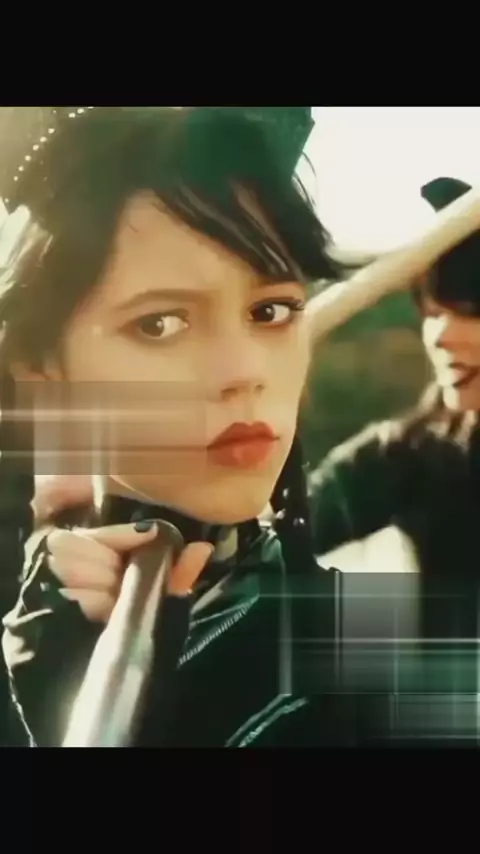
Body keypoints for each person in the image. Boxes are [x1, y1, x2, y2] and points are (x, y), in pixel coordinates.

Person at [2, 109, 480, 748]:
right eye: (160, 324)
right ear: (39, 374)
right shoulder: (408, 456)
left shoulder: (363, 647)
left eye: (271, 311)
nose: (245, 371)